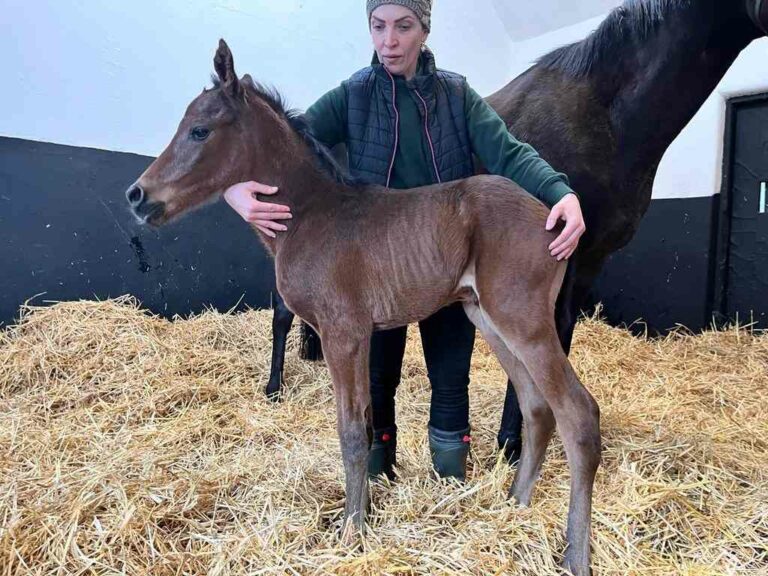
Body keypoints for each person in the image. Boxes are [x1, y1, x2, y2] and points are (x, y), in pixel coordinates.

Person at [224, 0, 585, 481]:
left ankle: (449, 482)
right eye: (378, 26)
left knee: (451, 378)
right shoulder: (353, 95)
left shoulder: (456, 95)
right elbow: (283, 143)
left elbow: (509, 151)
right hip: (372, 258)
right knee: (377, 377)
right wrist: (234, 191)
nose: (389, 40)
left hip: (445, 251)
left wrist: (561, 193)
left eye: (403, 26)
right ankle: (377, 472)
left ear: (424, 30)